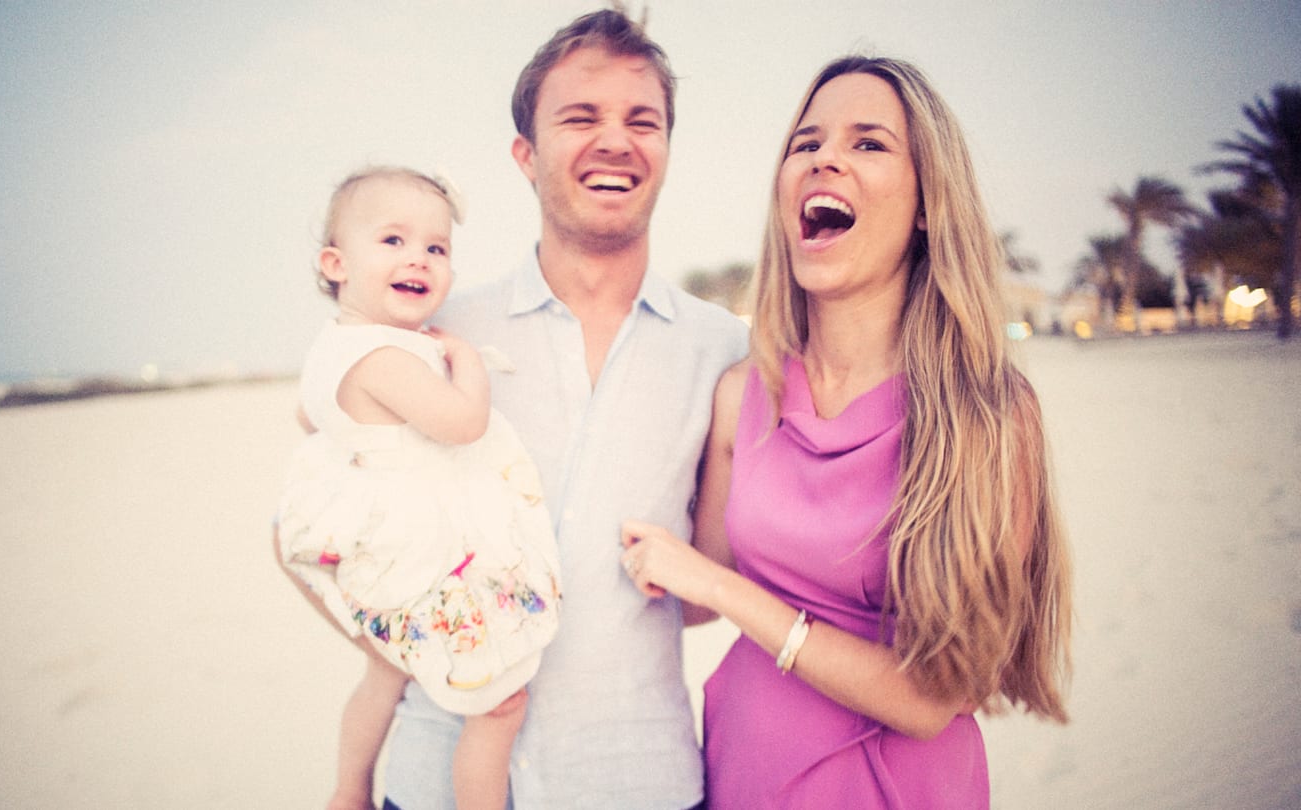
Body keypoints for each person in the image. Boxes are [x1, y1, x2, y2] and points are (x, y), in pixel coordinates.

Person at [620, 56, 1073, 808]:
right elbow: (690, 593)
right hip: (740, 774)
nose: (824, 156)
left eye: (869, 143)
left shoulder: (986, 412)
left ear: (928, 204)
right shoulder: (744, 393)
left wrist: (728, 592)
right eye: (806, 143)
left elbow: (935, 697)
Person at [376, 8, 749, 810]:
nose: (615, 139)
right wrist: (421, 642)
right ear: (526, 154)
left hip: (634, 773)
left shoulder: (724, 352)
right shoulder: (436, 336)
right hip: (436, 772)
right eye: (580, 117)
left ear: (666, 152)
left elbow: (711, 586)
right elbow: (313, 534)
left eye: (640, 121)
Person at [274, 166, 563, 810]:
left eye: (437, 248)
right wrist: (465, 361)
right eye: (394, 241)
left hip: (387, 555)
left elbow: (310, 420)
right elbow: (463, 424)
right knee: (499, 705)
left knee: (386, 670)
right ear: (335, 263)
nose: (419, 258)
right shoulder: (385, 357)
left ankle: (349, 790)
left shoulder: (334, 348)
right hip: (423, 556)